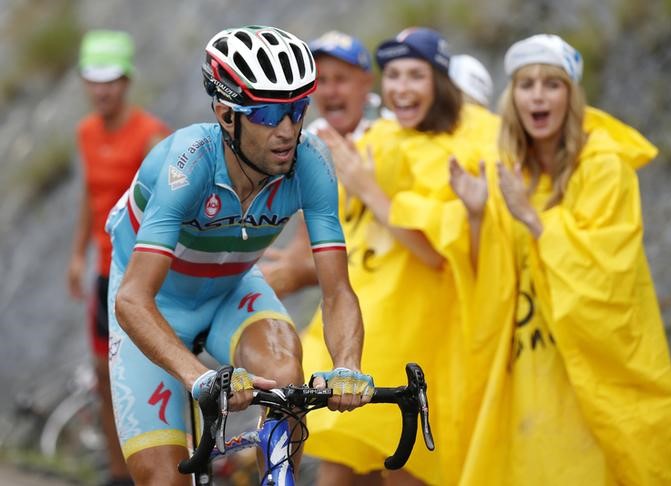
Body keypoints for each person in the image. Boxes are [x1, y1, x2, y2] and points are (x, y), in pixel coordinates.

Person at [104, 26, 373, 486]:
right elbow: (131, 300)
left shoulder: (310, 162)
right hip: (154, 307)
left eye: (296, 110)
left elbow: (337, 291)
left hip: (232, 292)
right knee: (163, 480)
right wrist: (195, 376)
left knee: (287, 376)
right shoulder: (186, 162)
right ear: (227, 115)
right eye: (269, 114)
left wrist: (348, 364)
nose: (288, 131)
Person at [449, 34, 671, 485]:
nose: (537, 95)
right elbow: (491, 283)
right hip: (530, 369)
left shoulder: (604, 168)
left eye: (551, 84)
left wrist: (533, 220)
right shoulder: (508, 173)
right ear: (512, 98)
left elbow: (608, 271)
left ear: (571, 96)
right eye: (526, 84)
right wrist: (477, 216)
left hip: (593, 366)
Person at [300, 27, 500, 485]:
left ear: (438, 82)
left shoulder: (464, 148)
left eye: (415, 75)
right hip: (374, 326)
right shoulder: (383, 139)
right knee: (342, 465)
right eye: (393, 74)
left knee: (404, 467)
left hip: (425, 337)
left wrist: (369, 189)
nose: (401, 87)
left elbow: (435, 253)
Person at [67, 29, 169, 486]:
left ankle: (167, 469)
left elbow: (169, 213)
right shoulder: (86, 133)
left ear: (126, 81)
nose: (102, 89)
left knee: (156, 377)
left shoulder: (151, 136)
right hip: (104, 275)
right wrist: (77, 255)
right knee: (104, 378)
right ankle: (116, 474)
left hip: (143, 279)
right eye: (94, 80)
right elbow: (89, 195)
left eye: (110, 80)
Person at [261, 30, 375, 298]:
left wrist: (297, 273)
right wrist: (287, 264)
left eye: (340, 79)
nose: (330, 91)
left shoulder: (388, 134)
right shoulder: (309, 143)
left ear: (366, 83)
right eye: (320, 80)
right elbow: (307, 239)